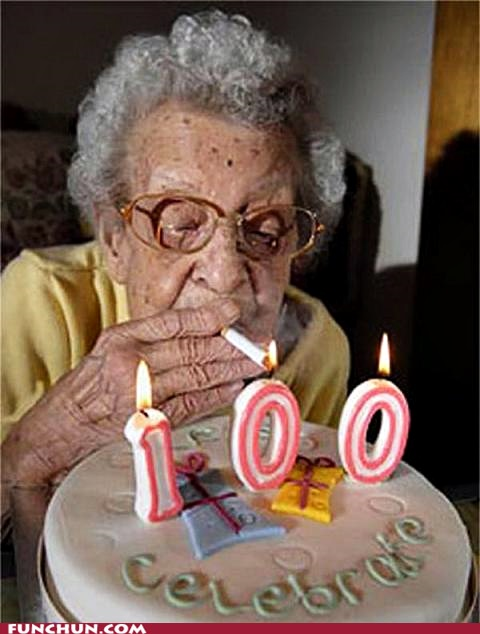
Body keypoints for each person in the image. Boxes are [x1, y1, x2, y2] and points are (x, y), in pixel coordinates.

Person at [1, 10, 349, 514]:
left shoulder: (318, 351)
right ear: (115, 240)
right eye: (182, 224)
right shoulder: (39, 301)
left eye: (266, 230)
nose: (225, 274)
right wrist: (42, 446)